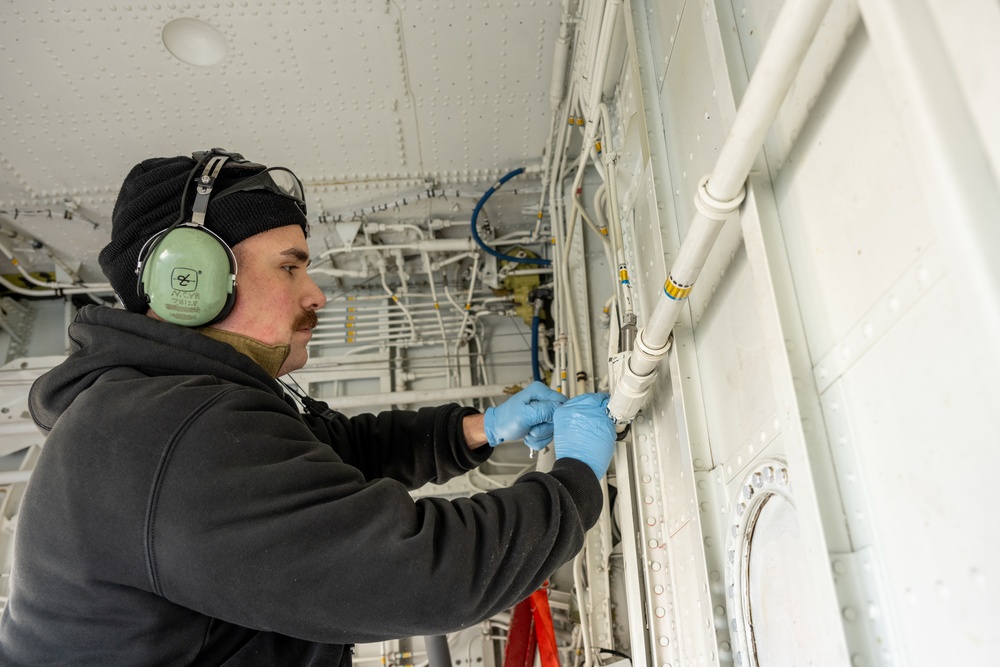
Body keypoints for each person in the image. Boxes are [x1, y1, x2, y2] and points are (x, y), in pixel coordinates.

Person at [0, 149, 618, 666]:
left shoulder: (158, 407)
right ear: (191, 281)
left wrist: (477, 430)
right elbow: (427, 574)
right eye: (290, 268)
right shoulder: (165, 434)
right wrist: (577, 479)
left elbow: (322, 457)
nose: (316, 293)